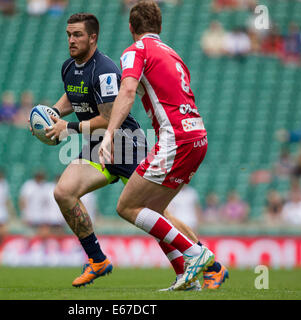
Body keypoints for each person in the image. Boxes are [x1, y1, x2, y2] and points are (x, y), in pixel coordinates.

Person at [40, 12, 225, 290]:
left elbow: (108, 115)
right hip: (97, 145)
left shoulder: (105, 69)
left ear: (93, 37)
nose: (71, 40)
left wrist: (68, 128)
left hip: (125, 143)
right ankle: (97, 259)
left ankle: (208, 264)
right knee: (63, 193)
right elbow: (72, 93)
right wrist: (53, 112)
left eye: (77, 34)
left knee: (150, 211)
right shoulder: (69, 67)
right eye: (68, 35)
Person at [98, 1, 227, 291]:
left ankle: (198, 255)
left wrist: (108, 134)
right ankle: (187, 275)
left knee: (127, 206)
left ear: (131, 27)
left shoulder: (135, 51)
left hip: (176, 139)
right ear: (159, 26)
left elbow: (128, 91)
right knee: (153, 211)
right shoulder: (173, 54)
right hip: (197, 137)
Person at [19, 172, 65, 236]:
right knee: (30, 236)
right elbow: (23, 201)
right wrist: (24, 214)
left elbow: (46, 202)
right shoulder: (29, 185)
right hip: (30, 217)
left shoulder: (45, 186)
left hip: (42, 218)